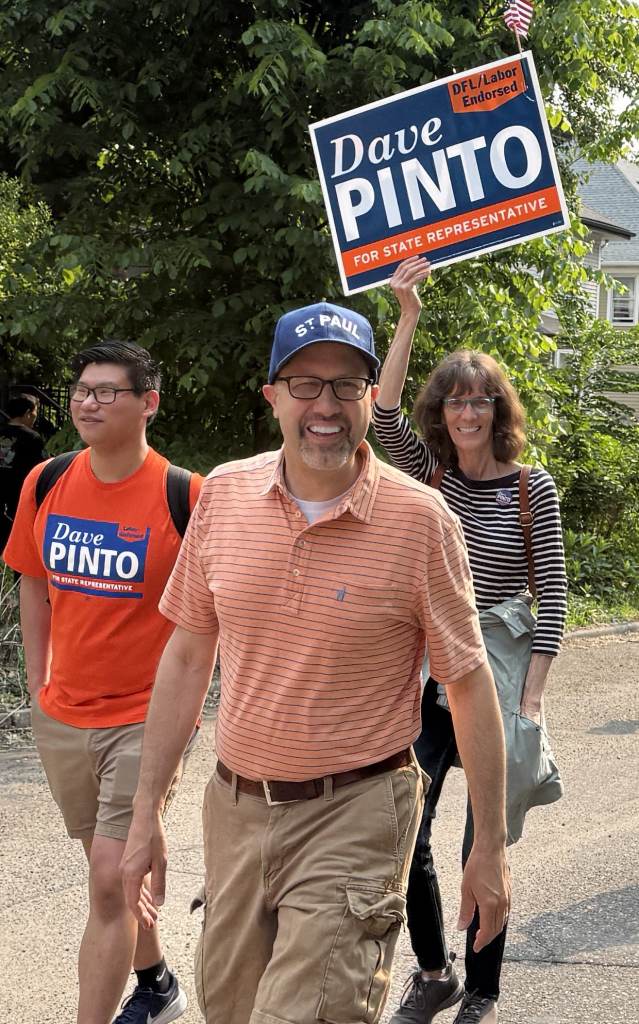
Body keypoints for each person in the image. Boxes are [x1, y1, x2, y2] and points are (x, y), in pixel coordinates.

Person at [120, 303, 510, 1024]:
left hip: (355, 811)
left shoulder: (420, 521)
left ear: (371, 396)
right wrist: (147, 815)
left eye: (347, 384)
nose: (325, 405)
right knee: (231, 1008)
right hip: (235, 810)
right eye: (304, 384)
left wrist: (487, 847)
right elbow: (184, 657)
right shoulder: (225, 496)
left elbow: (468, 682)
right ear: (271, 396)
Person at [373, 257, 568, 1024]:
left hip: (497, 680)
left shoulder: (531, 485)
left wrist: (531, 698)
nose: (466, 414)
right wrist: (407, 314)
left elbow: (550, 589)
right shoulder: (430, 479)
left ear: (497, 410)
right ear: (441, 413)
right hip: (430, 677)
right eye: (453, 403)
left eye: (479, 401)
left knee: (483, 838)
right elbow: (381, 416)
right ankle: (432, 971)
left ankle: (481, 990)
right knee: (406, 824)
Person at [3, 341, 203, 1024]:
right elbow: (32, 577)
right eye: (82, 390)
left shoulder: (186, 497)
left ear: (148, 402)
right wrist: (37, 681)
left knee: (110, 878)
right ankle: (159, 986)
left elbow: (210, 620)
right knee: (115, 871)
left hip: (144, 719)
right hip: (64, 716)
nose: (87, 401)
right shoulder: (47, 480)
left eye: (106, 390)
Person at [0, 392, 47, 554]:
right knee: (19, 547)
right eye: (34, 412)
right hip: (18, 498)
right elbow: (41, 469)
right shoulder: (32, 438)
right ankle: (18, 579)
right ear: (28, 413)